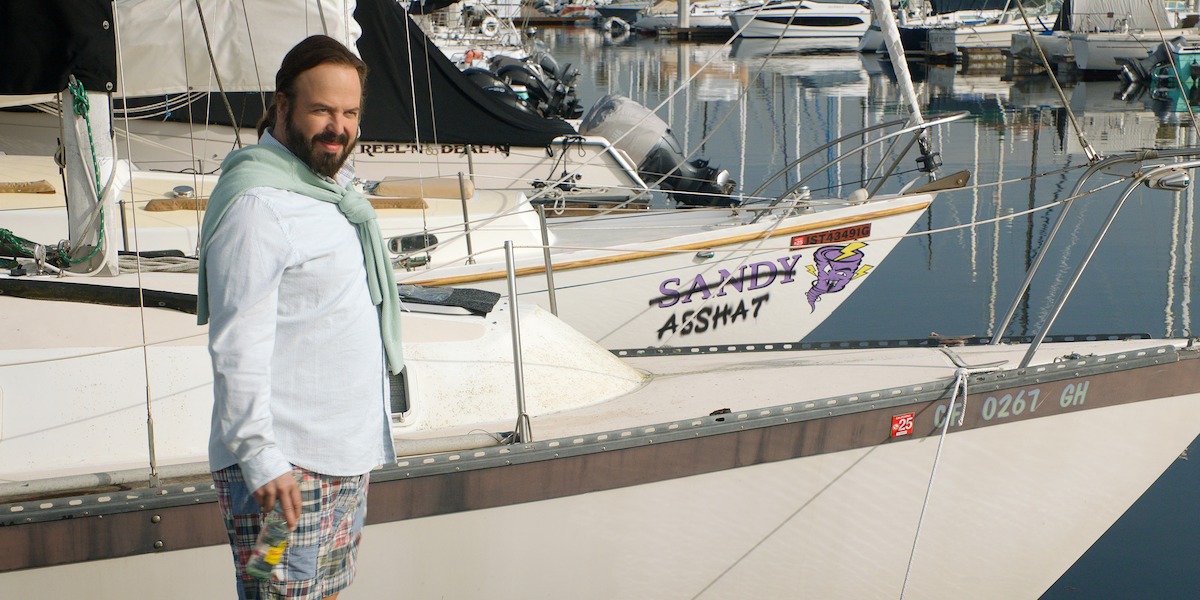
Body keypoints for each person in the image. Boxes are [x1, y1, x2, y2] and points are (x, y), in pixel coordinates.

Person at [196, 34, 403, 600]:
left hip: (339, 461)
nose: (339, 127)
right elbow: (236, 346)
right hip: (284, 476)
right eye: (322, 110)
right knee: (276, 595)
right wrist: (263, 462)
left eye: (350, 112)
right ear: (283, 107)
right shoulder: (258, 207)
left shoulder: (326, 192)